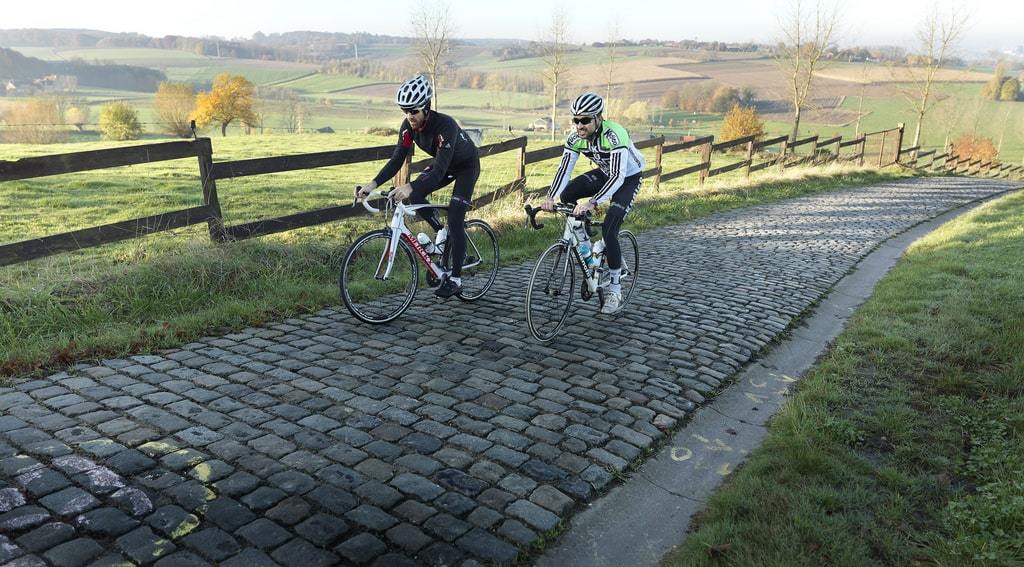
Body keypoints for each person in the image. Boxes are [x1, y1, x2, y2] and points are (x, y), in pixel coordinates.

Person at [356, 74, 480, 299]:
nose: (409, 116)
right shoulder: (408, 127)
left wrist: (409, 186)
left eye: (413, 111)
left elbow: (439, 172)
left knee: (455, 217)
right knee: (417, 195)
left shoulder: (446, 126)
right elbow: (397, 159)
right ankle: (441, 234)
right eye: (405, 111)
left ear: (426, 107)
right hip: (444, 164)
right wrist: (371, 184)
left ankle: (456, 279)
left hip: (465, 167)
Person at [541, 92, 645, 314]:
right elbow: (564, 169)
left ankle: (615, 291)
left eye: (585, 120)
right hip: (605, 173)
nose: (580, 125)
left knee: (609, 229)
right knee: (567, 195)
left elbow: (618, 175)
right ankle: (590, 249)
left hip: (627, 177)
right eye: (575, 120)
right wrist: (550, 196)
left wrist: (593, 202)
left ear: (598, 118)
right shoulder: (575, 138)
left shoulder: (614, 134)